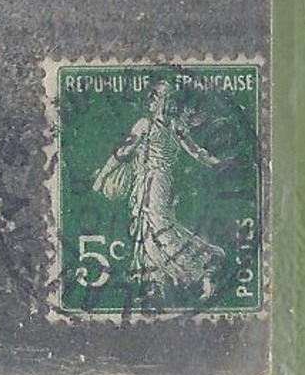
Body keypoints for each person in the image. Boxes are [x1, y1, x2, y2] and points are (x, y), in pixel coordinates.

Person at [92, 79, 227, 300]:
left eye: (155, 96)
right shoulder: (176, 127)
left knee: (158, 230)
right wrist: (217, 162)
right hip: (159, 183)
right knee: (148, 230)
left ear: (164, 100)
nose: (151, 100)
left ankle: (201, 272)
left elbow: (123, 152)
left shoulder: (145, 124)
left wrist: (101, 177)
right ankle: (153, 286)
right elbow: (197, 153)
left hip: (152, 183)